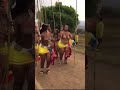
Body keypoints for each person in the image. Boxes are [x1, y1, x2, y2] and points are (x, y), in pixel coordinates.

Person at [9, 0, 35, 90]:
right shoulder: (17, 19)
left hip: (31, 54)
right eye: (32, 2)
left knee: (32, 81)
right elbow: (11, 39)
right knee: (18, 82)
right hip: (18, 53)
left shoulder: (33, 16)